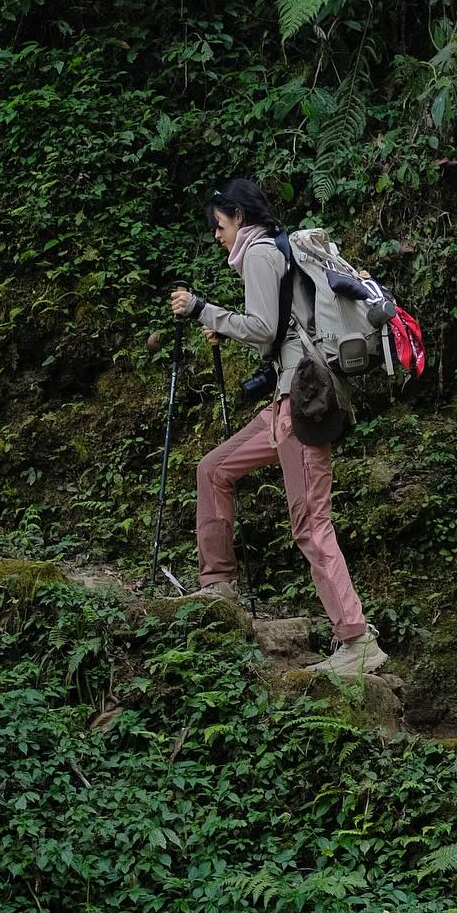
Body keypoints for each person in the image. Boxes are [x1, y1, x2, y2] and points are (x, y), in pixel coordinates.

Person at [169, 179, 387, 678]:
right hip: (285, 403)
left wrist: (207, 311)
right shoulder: (269, 255)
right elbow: (277, 331)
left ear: (239, 217)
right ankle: (217, 584)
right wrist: (224, 322)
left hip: (303, 408)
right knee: (214, 470)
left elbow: (263, 327)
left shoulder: (262, 254)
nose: (218, 236)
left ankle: (355, 639)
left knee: (311, 523)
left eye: (220, 226)